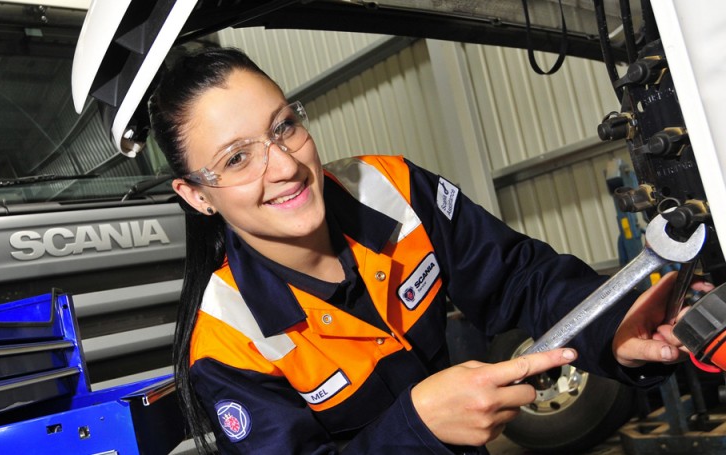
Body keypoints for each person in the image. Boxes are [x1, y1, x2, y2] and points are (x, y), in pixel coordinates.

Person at [147, 46, 697, 454]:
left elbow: (518, 277)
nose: (285, 166)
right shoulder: (229, 343)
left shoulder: (391, 189)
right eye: (237, 159)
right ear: (196, 196)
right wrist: (417, 427)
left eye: (284, 127)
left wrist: (614, 327)